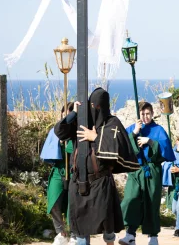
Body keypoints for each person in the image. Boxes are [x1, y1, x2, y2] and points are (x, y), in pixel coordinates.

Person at [54, 87, 140, 245]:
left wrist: (95, 137)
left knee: (107, 226)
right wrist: (73, 113)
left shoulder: (112, 123)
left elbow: (116, 150)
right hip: (79, 182)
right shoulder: (82, 121)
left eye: (98, 107)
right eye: (93, 106)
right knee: (80, 228)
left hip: (101, 184)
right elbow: (60, 132)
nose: (95, 110)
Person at [119, 102, 176, 245]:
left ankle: (153, 236)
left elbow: (165, 150)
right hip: (135, 169)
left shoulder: (158, 130)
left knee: (152, 201)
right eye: (142, 114)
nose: (145, 117)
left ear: (152, 113)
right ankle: (130, 234)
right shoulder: (132, 128)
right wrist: (134, 133)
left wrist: (150, 141)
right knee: (131, 199)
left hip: (152, 170)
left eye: (148, 113)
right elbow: (123, 146)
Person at [41, 102, 77, 245]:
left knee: (72, 205)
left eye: (69, 112)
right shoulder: (57, 130)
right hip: (59, 170)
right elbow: (49, 153)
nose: (66, 115)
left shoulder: (77, 131)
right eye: (64, 113)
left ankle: (74, 234)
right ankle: (61, 233)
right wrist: (58, 143)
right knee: (53, 201)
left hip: (74, 172)